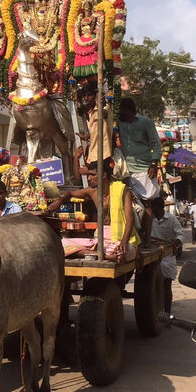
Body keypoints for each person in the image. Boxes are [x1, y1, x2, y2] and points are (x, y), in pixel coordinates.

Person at [49, 163, 140, 262]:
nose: (88, 178)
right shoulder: (92, 191)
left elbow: (130, 219)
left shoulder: (123, 190)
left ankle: (95, 254)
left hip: (120, 239)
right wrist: (58, 201)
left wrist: (124, 243)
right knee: (63, 244)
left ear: (104, 175)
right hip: (100, 240)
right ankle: (103, 256)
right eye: (88, 175)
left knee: (123, 251)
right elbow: (70, 193)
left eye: (92, 175)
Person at [118, 97, 162, 244]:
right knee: (128, 204)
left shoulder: (145, 122)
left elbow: (156, 144)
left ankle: (148, 239)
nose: (119, 113)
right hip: (126, 169)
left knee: (147, 203)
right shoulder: (119, 123)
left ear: (128, 110)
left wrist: (154, 164)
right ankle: (134, 237)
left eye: (121, 110)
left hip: (144, 168)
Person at [151, 196, 184, 314]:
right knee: (152, 287)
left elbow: (180, 235)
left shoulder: (171, 219)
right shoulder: (149, 219)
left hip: (167, 256)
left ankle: (168, 313)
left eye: (153, 208)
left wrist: (176, 242)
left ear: (159, 208)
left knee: (166, 286)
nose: (151, 210)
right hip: (152, 256)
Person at [75, 81, 113, 177]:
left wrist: (100, 105)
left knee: (100, 179)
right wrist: (86, 137)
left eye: (89, 95)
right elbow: (96, 132)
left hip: (103, 154)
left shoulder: (105, 108)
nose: (86, 98)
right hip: (93, 154)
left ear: (95, 95)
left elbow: (104, 114)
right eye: (85, 95)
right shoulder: (90, 113)